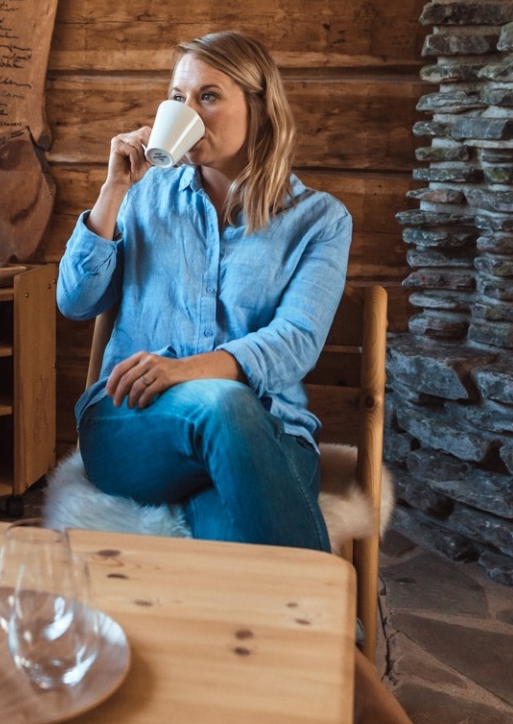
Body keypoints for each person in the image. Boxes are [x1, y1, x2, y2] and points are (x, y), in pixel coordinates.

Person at [56, 31, 352, 551]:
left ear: (258, 109)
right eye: (177, 97)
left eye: (208, 96)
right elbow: (75, 301)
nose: (187, 110)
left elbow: (295, 341)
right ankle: (328, 621)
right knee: (224, 406)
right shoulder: (143, 196)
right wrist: (113, 191)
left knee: (230, 543)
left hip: (266, 433)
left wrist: (185, 371)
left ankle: (280, 625)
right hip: (133, 424)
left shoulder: (319, 221)